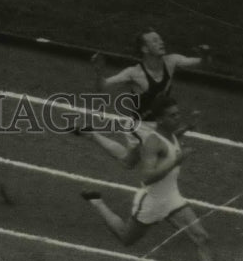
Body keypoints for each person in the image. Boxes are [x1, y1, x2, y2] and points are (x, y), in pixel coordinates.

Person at [80, 97, 239, 261]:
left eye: (178, 114)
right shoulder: (153, 143)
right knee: (126, 238)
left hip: (172, 198)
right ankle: (97, 202)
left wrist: (187, 128)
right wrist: (176, 161)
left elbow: (172, 142)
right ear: (161, 119)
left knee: (201, 238)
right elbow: (147, 176)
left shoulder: (170, 134)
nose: (177, 118)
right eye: (172, 115)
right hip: (152, 202)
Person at [85, 30, 210, 167]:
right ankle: (92, 135)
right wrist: (98, 72)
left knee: (131, 161)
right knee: (139, 160)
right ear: (145, 48)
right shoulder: (134, 73)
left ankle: (91, 134)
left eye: (160, 39)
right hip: (140, 127)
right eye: (155, 41)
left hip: (159, 122)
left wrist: (204, 55)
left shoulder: (171, 61)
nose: (161, 42)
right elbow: (102, 86)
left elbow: (200, 63)